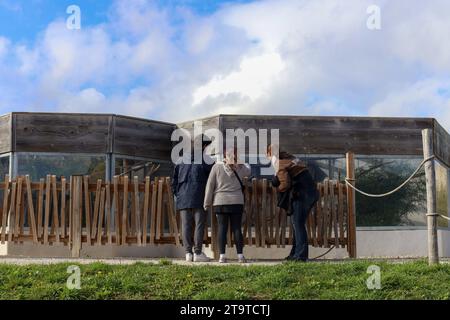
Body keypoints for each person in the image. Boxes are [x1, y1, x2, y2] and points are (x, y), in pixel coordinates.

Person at [267, 144, 319, 262]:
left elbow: (285, 184)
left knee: (298, 224)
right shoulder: (291, 158)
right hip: (311, 193)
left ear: (269, 154)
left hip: (301, 195)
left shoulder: (279, 163)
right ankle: (295, 254)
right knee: (297, 224)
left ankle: (301, 256)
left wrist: (277, 187)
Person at [204, 147, 251, 263]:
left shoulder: (216, 167)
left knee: (222, 229)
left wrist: (207, 202)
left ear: (225, 155)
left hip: (220, 202)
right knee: (236, 229)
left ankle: (222, 256)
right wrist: (241, 161)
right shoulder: (241, 167)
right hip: (236, 202)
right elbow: (250, 171)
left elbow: (210, 185)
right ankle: (240, 256)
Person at [172, 134, 214, 262]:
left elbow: (174, 181)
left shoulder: (180, 160)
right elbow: (213, 179)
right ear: (203, 146)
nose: (207, 148)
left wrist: (178, 194)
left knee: (186, 226)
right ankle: (197, 253)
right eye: (206, 146)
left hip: (183, 197)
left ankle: (188, 254)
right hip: (199, 197)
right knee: (199, 225)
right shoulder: (207, 160)